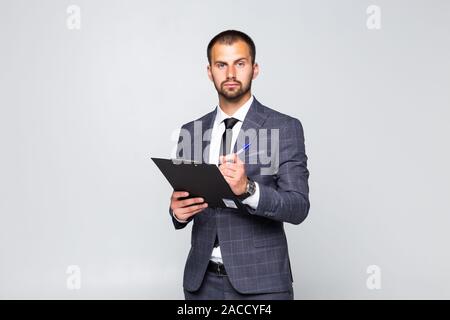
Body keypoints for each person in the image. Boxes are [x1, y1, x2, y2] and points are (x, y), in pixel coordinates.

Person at [169, 30, 310, 300]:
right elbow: (184, 201)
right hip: (200, 284)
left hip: (262, 285)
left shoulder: (285, 127)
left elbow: (298, 207)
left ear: (254, 69)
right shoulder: (191, 132)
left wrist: (248, 189)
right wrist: (178, 212)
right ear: (210, 71)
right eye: (221, 64)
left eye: (240, 63)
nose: (231, 73)